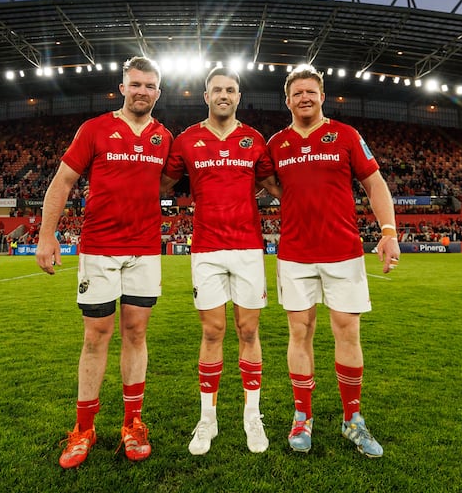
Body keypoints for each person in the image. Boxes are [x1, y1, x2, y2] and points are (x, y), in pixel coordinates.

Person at [35, 56, 172, 468]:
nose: (142, 91)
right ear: (123, 87)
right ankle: (84, 429)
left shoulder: (164, 137)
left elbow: (165, 182)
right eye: (136, 84)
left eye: (150, 86)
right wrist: (46, 234)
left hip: (146, 249)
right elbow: (62, 182)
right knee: (96, 336)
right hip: (99, 248)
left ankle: (133, 423)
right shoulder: (94, 129)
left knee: (136, 333)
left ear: (157, 92)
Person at [266, 65, 400, 458]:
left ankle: (352, 419)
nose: (304, 98)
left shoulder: (346, 135)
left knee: (347, 332)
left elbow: (375, 183)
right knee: (299, 333)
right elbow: (270, 184)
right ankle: (302, 416)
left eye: (311, 92)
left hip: (343, 252)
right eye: (297, 93)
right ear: (287, 100)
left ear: (322, 96)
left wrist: (388, 232)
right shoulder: (277, 143)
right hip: (294, 254)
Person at [162, 67, 279, 456]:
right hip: (207, 249)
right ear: (206, 96)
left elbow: (275, 186)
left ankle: (252, 415)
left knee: (248, 331)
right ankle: (207, 418)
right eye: (217, 90)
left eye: (230, 89)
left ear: (238, 95)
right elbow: (161, 183)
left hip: (247, 248)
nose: (223, 95)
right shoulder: (187, 140)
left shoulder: (255, 139)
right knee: (212, 333)